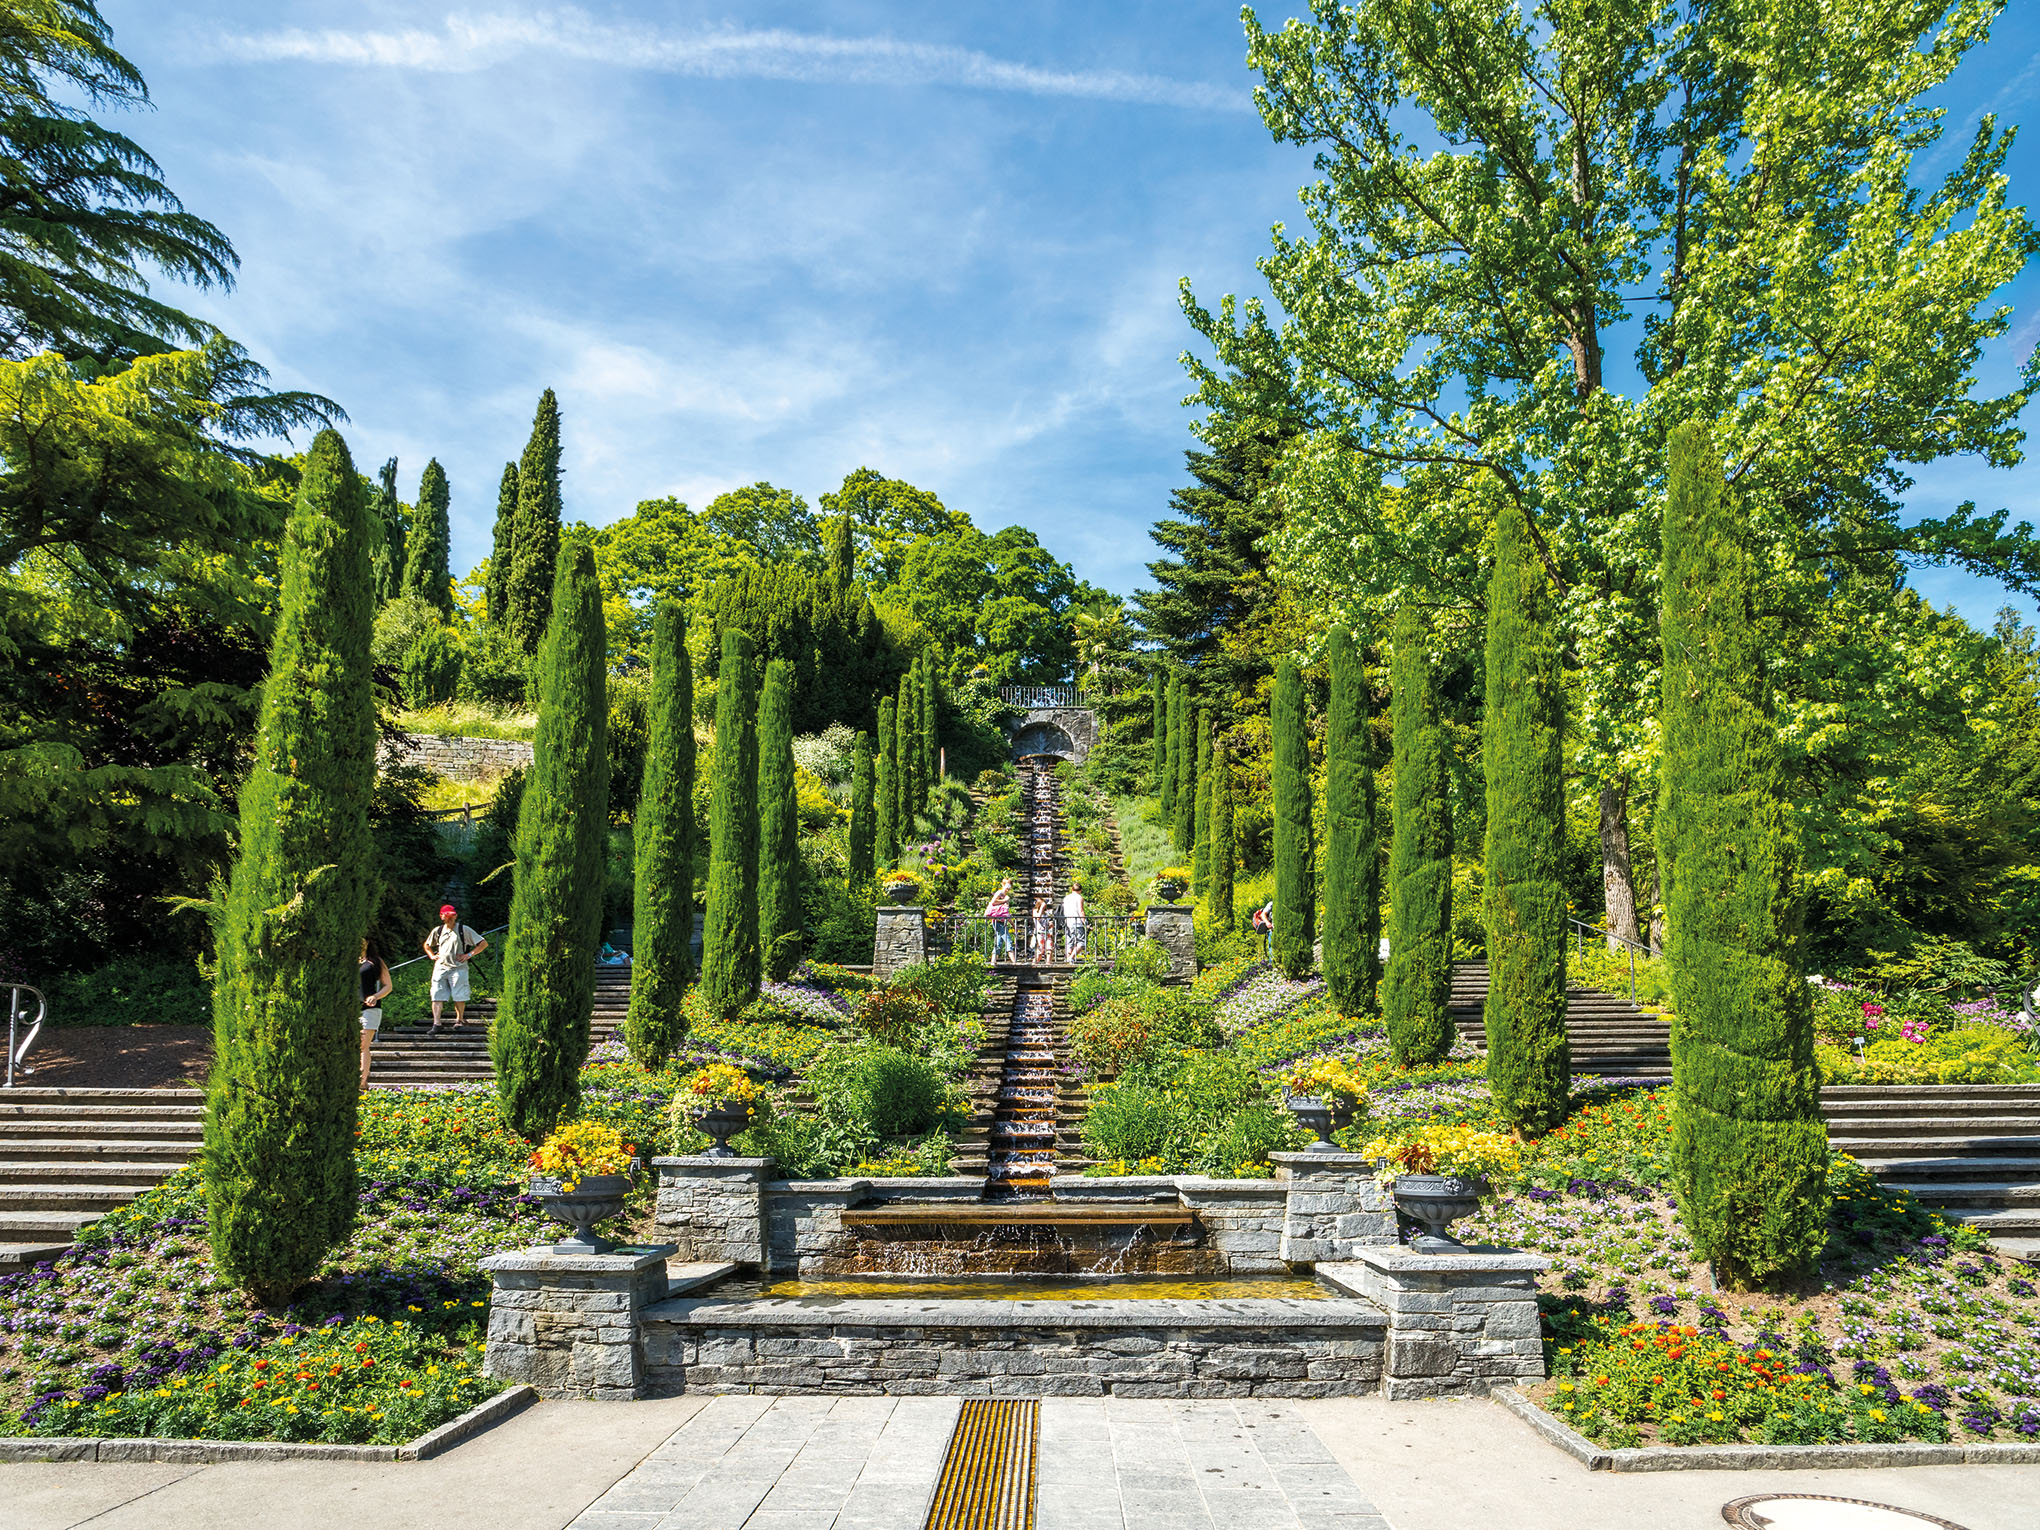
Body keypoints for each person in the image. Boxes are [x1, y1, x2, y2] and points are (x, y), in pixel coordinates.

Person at [422, 904, 487, 1032]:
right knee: (436, 995)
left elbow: (483, 943)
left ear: (455, 915)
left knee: (459, 995)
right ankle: (437, 1024)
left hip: (459, 967)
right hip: (440, 967)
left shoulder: (464, 929)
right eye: (447, 915)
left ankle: (459, 1020)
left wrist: (469, 954)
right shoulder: (438, 930)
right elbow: (427, 945)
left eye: (452, 915)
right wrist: (432, 956)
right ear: (441, 916)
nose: (450, 918)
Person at [358, 938, 392, 1092]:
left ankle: (362, 1080)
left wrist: (376, 996)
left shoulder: (375, 961)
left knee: (363, 1044)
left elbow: (388, 986)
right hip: (351, 1007)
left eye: (363, 940)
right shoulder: (347, 959)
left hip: (369, 1007)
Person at [986, 880, 1015, 963]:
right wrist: (1005, 900)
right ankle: (1014, 962)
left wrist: (1012, 924)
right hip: (996, 920)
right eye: (1007, 886)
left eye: (1010, 886)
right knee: (1008, 939)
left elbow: (1006, 913)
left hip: (1002, 921)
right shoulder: (999, 893)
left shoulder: (1006, 896)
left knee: (999, 942)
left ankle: (993, 961)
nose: (1008, 888)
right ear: (1003, 884)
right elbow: (993, 902)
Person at [1062, 884, 1087, 960]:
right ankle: (1071, 958)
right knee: (1081, 943)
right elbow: (1081, 911)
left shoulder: (1066, 898)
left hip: (1068, 922)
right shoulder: (1079, 898)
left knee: (1070, 942)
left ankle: (1068, 958)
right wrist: (1085, 922)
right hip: (1077, 922)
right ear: (1080, 890)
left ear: (1072, 889)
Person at [1031, 895, 1053, 964]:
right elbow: (1038, 918)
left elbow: (1046, 924)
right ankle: (1034, 963)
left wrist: (1050, 925)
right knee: (1040, 951)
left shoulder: (1046, 913)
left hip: (1047, 932)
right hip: (1039, 933)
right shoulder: (1035, 911)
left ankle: (1048, 963)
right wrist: (1042, 908)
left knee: (1049, 948)